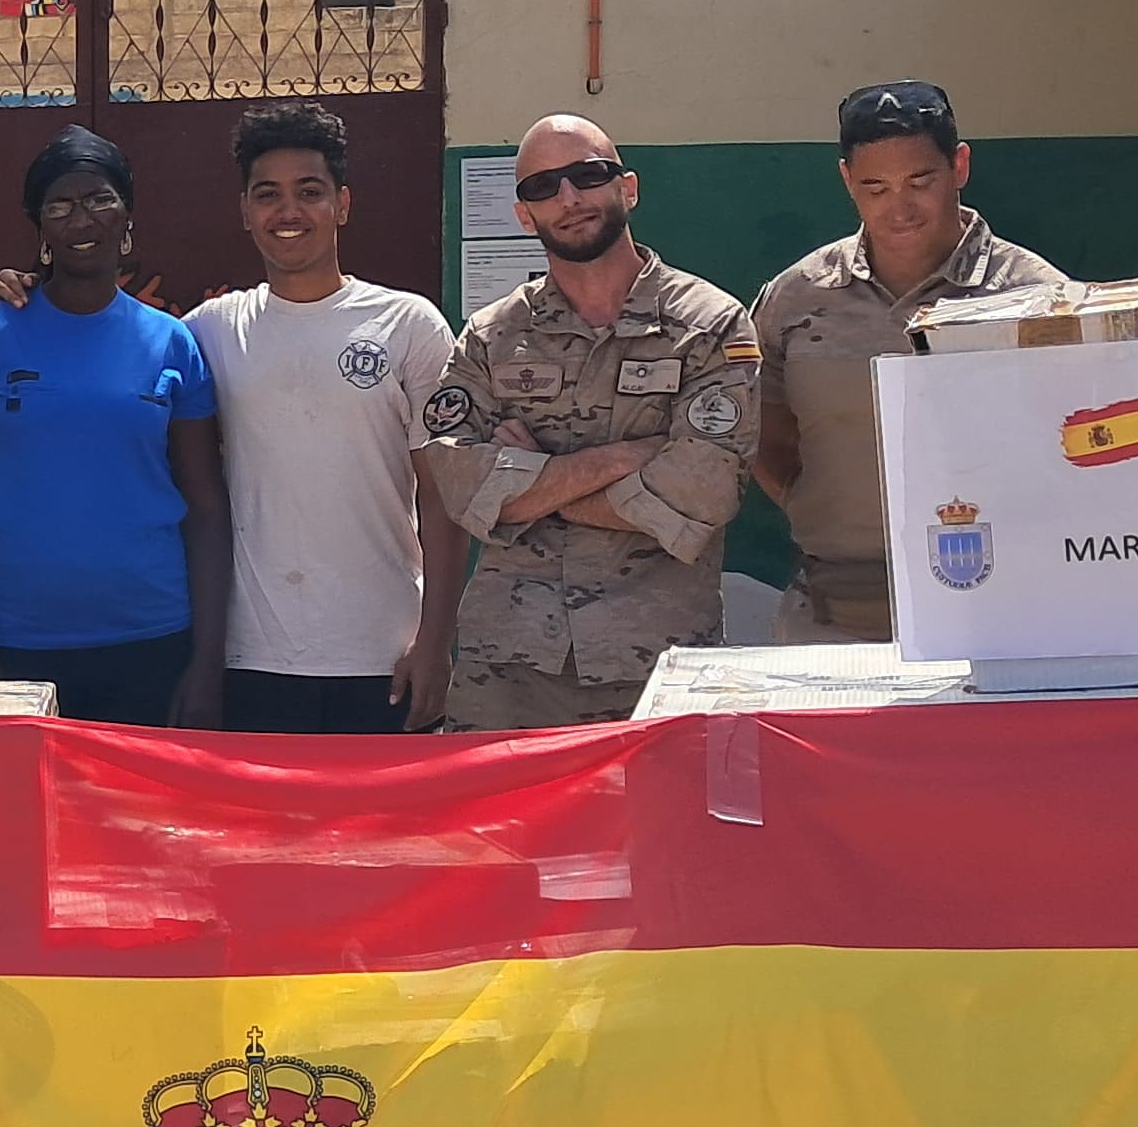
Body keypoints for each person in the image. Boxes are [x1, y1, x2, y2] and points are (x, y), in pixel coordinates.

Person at [416, 115, 757, 726]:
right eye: (542, 188)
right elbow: (462, 485)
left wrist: (531, 485)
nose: (567, 198)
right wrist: (625, 458)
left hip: (659, 666)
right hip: (508, 673)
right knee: (499, 824)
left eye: (586, 176)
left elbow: (702, 491)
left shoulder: (712, 327)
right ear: (525, 216)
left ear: (627, 188)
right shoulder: (492, 337)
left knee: (659, 825)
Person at [0, 127, 229, 727]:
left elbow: (207, 506)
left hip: (153, 641)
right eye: (59, 205)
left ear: (127, 216)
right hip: (17, 647)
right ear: (39, 227)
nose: (80, 218)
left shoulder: (173, 342)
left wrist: (207, 662)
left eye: (99, 199)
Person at [749, 79, 1065, 644]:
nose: (900, 207)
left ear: (959, 166)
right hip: (834, 609)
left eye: (921, 181)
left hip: (1005, 605)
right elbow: (767, 434)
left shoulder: (1036, 296)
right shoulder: (798, 297)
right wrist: (817, 506)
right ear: (847, 180)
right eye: (875, 187)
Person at [194, 105, 465, 732]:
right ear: (245, 212)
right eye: (269, 195)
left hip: (383, 654)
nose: (289, 213)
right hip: (252, 658)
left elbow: (445, 498)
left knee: (388, 833)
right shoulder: (212, 330)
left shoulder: (410, 326)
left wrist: (435, 643)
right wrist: (19, 290)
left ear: (342, 204)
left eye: (309, 193)